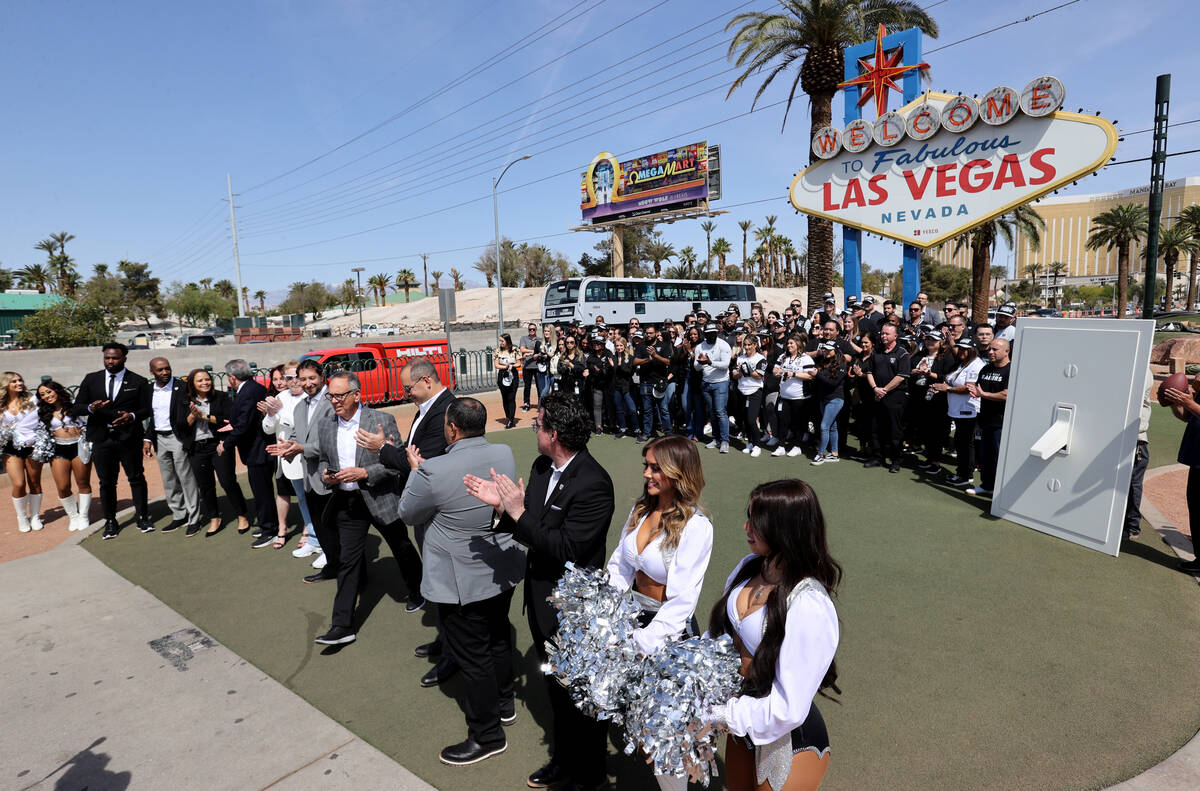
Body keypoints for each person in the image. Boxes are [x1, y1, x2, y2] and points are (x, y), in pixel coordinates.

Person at [464, 392, 615, 791]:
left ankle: (591, 774)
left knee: (581, 698)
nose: (535, 429)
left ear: (555, 434)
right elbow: (530, 526)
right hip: (540, 601)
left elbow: (567, 549)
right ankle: (564, 760)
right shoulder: (541, 466)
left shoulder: (594, 484)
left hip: (574, 610)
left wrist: (517, 513)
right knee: (554, 687)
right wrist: (503, 509)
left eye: (539, 424)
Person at [397, 398, 523, 766]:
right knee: (499, 637)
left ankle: (487, 735)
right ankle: (504, 705)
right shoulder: (503, 451)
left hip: (460, 580)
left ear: (452, 428)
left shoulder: (432, 470)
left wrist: (416, 470)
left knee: (474, 656)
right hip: (502, 569)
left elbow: (408, 512)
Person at [704, 480, 842, 791]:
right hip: (743, 723)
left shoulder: (808, 603)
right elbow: (719, 639)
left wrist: (719, 714)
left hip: (789, 738)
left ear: (785, 528)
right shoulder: (747, 567)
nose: (746, 526)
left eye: (757, 521)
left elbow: (789, 708)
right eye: (748, 516)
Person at [605, 435, 713, 791]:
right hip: (631, 623)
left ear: (678, 473)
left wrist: (640, 643)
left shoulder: (696, 528)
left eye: (656, 468)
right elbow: (620, 566)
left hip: (667, 637)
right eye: (646, 465)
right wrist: (606, 615)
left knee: (668, 737)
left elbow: (682, 603)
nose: (647, 474)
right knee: (638, 725)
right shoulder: (641, 510)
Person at [361, 358, 455, 680]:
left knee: (444, 584)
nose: (405, 394)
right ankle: (446, 640)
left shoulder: (446, 411)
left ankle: (453, 652)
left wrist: (382, 449)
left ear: (426, 381)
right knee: (437, 582)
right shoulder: (428, 407)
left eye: (408, 388)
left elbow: (421, 460)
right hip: (424, 508)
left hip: (438, 511)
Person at [312, 371, 403, 646]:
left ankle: (419, 591)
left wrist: (365, 472)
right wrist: (326, 476)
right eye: (331, 396)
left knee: (403, 549)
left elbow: (396, 463)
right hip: (348, 503)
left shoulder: (382, 420)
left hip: (380, 498)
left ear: (357, 395)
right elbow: (322, 461)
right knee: (348, 562)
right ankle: (342, 625)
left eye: (340, 395)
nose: (334, 401)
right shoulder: (327, 423)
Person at [71, 343, 153, 539]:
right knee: (107, 482)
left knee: (136, 478)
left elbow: (146, 409)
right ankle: (110, 521)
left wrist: (132, 416)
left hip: (128, 438)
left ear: (124, 358)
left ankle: (142, 517)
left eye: (115, 358)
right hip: (101, 439)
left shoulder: (139, 381)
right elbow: (77, 408)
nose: (110, 361)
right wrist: (91, 408)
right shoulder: (92, 379)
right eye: (107, 358)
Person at [270, 359, 331, 564]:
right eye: (302, 379)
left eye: (311, 378)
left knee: (330, 515)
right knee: (313, 508)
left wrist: (301, 448)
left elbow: (333, 440)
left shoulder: (333, 400)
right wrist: (288, 446)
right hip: (307, 469)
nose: (307, 383)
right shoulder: (301, 406)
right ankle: (319, 543)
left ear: (322, 376)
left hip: (329, 471)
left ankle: (329, 551)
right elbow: (297, 434)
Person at [220, 359, 278, 548]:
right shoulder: (253, 388)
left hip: (258, 450)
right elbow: (247, 418)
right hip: (257, 449)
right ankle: (266, 524)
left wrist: (226, 444)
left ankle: (270, 529)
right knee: (262, 491)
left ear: (232, 378)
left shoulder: (247, 391)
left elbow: (244, 425)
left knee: (262, 492)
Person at [180, 368, 245, 537]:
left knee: (227, 481)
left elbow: (228, 419)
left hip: (219, 444)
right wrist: (193, 416)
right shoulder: (185, 401)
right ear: (192, 384)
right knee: (205, 486)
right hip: (197, 448)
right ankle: (214, 518)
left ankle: (241, 515)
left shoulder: (222, 397)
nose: (205, 383)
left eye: (207, 379)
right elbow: (180, 426)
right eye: (200, 381)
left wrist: (205, 416)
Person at [143, 357, 200, 534]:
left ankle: (194, 518)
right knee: (169, 480)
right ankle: (179, 515)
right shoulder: (148, 390)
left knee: (186, 478)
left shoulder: (182, 387)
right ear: (152, 372)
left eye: (167, 368)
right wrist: (148, 438)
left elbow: (195, 407)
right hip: (159, 439)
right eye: (160, 370)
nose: (165, 372)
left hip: (178, 437)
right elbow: (151, 417)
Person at [262, 361, 313, 549]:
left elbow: (300, 424)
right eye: (289, 378)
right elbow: (268, 429)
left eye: (296, 377)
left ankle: (312, 533)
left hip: (304, 454)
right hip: (284, 457)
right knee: (299, 496)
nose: (293, 382)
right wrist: (269, 413)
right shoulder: (281, 396)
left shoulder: (309, 397)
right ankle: (310, 531)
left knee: (311, 496)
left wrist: (279, 411)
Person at [36, 381, 93, 532]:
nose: (47, 396)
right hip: (58, 449)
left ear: (57, 390)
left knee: (83, 483)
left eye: (49, 392)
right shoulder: (42, 412)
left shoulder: (73, 405)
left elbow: (88, 417)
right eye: (42, 395)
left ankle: (83, 516)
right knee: (63, 486)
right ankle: (73, 516)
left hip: (79, 446)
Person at [1159, 373, 1200, 573]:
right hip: (1197, 460)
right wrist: (1176, 401)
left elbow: (1193, 409)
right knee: (1196, 509)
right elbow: (1187, 416)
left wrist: (1189, 402)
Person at [935, 339, 986, 488]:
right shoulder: (962, 362)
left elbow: (969, 387)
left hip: (968, 410)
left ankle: (965, 475)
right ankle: (962, 473)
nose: (962, 351)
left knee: (965, 444)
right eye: (960, 348)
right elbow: (951, 379)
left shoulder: (976, 365)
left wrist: (948, 389)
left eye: (966, 349)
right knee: (961, 442)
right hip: (958, 410)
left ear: (972, 350)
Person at [967, 339, 1011, 497]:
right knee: (986, 456)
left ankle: (1002, 491)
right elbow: (979, 388)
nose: (990, 352)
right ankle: (987, 485)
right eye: (990, 349)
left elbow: (1006, 394)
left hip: (1003, 422)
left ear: (1007, 351)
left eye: (995, 350)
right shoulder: (986, 369)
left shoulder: (1011, 370)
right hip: (986, 419)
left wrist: (984, 394)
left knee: (1000, 457)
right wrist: (974, 391)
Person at [864, 325, 910, 473]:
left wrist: (884, 390)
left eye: (887, 334)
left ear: (895, 336)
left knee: (895, 431)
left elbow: (901, 376)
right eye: (882, 333)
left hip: (895, 397)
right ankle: (878, 457)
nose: (883, 336)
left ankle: (896, 460)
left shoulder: (902, 353)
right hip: (877, 396)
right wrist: (875, 389)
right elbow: (869, 372)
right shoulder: (875, 351)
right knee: (876, 428)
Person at [4, 372, 46, 532]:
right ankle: (22, 517)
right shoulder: (1, 404)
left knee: (34, 482)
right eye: (14, 381)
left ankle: (35, 516)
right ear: (6, 385)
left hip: (33, 446)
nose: (18, 383)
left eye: (20, 379)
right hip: (10, 448)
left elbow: (42, 419)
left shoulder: (32, 400)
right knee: (19, 483)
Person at [772, 334, 815, 458]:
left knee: (797, 423)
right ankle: (781, 446)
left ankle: (797, 446)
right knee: (783, 421)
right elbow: (775, 370)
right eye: (788, 343)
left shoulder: (806, 358)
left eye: (792, 343)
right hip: (784, 395)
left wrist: (794, 374)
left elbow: (810, 376)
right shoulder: (783, 356)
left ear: (798, 345)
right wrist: (779, 371)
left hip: (799, 397)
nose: (789, 345)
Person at [695, 323, 732, 453]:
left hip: (721, 382)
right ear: (705, 334)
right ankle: (716, 439)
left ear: (717, 333)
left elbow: (726, 365)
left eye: (714, 332)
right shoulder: (700, 346)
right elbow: (696, 367)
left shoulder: (723, 345)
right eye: (709, 333)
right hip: (706, 382)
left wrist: (710, 362)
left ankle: (725, 441)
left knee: (720, 412)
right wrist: (700, 362)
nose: (712, 335)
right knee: (712, 412)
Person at [812, 341, 846, 465]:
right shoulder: (824, 362)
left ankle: (820, 454)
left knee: (824, 426)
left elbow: (833, 383)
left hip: (835, 399)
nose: (826, 351)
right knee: (832, 426)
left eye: (829, 349)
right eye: (825, 349)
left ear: (835, 351)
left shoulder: (842, 364)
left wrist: (817, 374)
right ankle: (835, 454)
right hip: (824, 398)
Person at [732, 336, 767, 457]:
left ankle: (757, 445)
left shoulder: (760, 358)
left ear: (755, 345)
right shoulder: (740, 358)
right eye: (745, 345)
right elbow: (735, 375)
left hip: (755, 391)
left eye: (749, 345)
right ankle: (751, 443)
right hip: (742, 391)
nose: (746, 347)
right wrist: (740, 372)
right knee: (745, 419)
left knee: (752, 419)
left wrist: (748, 371)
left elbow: (759, 375)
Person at [611, 336, 639, 437]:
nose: (619, 347)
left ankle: (636, 429)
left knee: (632, 409)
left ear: (625, 345)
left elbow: (629, 372)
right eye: (617, 346)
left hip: (627, 386)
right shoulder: (613, 357)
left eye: (621, 345)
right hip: (616, 386)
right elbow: (611, 373)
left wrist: (618, 366)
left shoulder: (630, 357)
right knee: (619, 409)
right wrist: (612, 367)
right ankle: (622, 429)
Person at [519, 323, 541, 411]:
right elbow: (522, 349)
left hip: (537, 366)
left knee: (539, 386)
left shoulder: (540, 339)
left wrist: (530, 353)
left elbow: (541, 350)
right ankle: (526, 403)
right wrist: (534, 351)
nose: (532, 331)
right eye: (530, 329)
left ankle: (540, 403)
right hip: (527, 366)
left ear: (536, 330)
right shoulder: (524, 338)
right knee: (527, 386)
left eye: (533, 329)